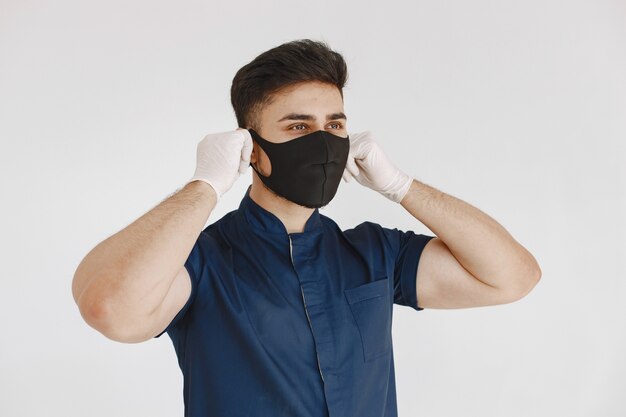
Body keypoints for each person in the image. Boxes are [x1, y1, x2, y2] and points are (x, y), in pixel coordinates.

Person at [72, 38, 541, 417]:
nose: (322, 141)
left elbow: (514, 276)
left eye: (334, 125)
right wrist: (205, 186)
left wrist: (401, 186)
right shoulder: (201, 263)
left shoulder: (376, 253)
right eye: (298, 127)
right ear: (251, 148)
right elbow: (110, 307)